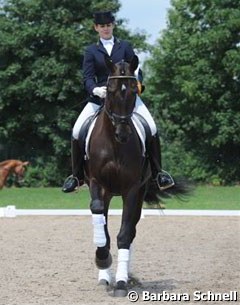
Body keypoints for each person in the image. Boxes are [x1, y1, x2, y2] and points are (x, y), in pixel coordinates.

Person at [62, 11, 174, 193]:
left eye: (108, 25)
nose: (106, 29)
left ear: (113, 26)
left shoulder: (125, 46)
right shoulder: (91, 51)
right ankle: (76, 176)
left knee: (152, 128)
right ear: (96, 28)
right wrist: (95, 90)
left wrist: (137, 83)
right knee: (77, 131)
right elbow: (88, 78)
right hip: (100, 99)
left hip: (126, 99)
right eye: (102, 26)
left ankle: (158, 173)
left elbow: (136, 69)